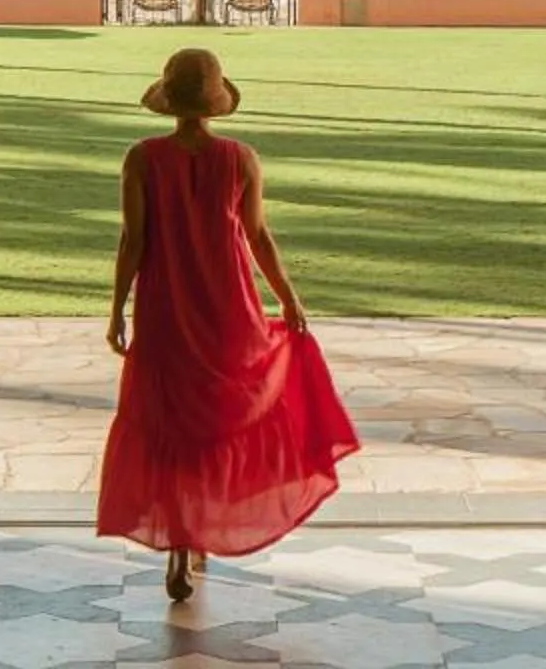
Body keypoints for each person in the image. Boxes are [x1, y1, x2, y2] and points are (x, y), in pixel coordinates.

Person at [99, 48, 358, 601]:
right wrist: (288, 298)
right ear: (215, 103)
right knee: (220, 417)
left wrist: (117, 307)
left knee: (172, 420)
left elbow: (134, 241)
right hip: (228, 304)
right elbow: (258, 236)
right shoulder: (240, 158)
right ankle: (200, 535)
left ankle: (179, 545)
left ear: (168, 101)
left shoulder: (142, 159)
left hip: (166, 307)